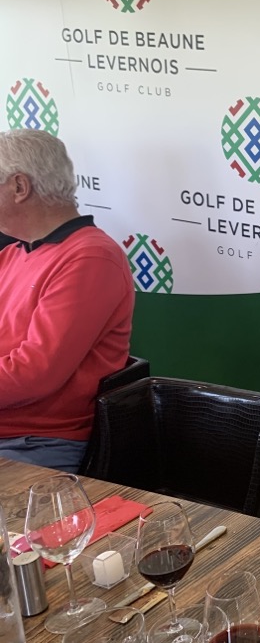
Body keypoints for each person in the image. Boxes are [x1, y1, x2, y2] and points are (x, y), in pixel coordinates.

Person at [0, 129, 134, 472]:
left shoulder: (91, 258)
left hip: (35, 442)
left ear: (19, 187)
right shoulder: (14, 253)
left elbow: (34, 375)